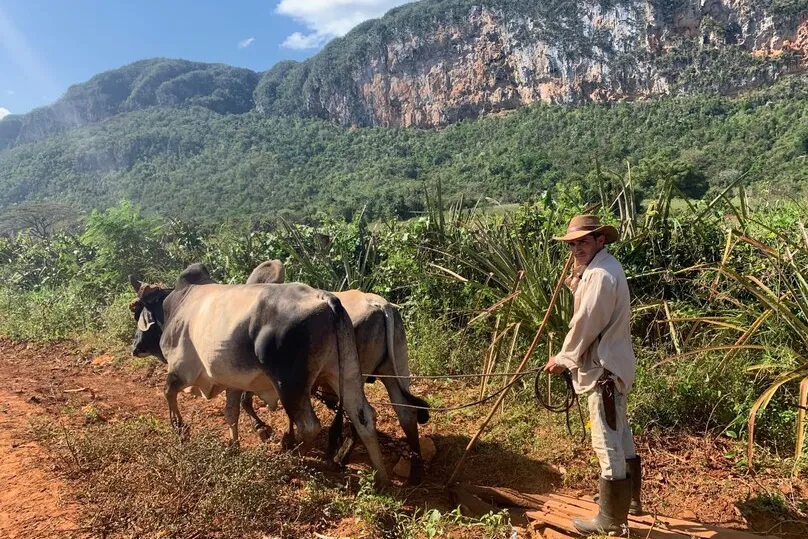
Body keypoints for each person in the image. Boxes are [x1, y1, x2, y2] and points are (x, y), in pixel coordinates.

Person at [543, 214, 641, 537]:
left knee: (606, 441)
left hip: (603, 372)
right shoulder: (602, 268)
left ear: (601, 240)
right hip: (615, 366)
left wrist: (563, 358)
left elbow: (585, 323)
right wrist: (577, 273)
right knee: (621, 433)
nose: (576, 248)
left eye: (583, 242)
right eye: (572, 244)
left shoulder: (599, 275)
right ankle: (631, 502)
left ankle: (612, 519)